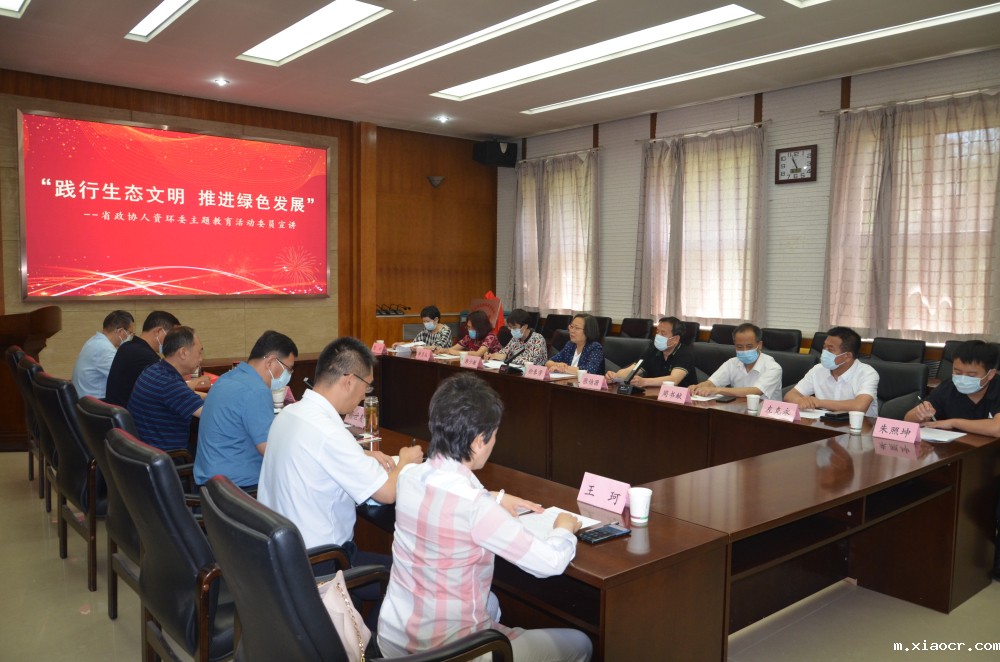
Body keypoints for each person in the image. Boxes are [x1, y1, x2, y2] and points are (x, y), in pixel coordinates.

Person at [377, 373, 592, 661]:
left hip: (393, 640)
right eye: (494, 435)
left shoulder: (409, 476)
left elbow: (446, 495)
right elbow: (549, 563)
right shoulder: (476, 507)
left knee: (491, 602)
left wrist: (497, 498)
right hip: (450, 654)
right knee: (581, 643)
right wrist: (564, 529)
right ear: (479, 441)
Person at [257, 336, 424, 563]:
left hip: (279, 553)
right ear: (349, 381)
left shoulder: (290, 413)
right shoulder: (329, 432)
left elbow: (314, 453)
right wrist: (405, 461)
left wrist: (361, 453)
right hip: (321, 560)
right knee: (410, 570)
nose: (364, 395)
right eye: (367, 386)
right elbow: (386, 493)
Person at [193, 330, 298, 489]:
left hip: (210, 483)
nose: (289, 374)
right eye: (288, 369)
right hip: (237, 489)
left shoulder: (227, 378)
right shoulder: (256, 390)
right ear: (270, 362)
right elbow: (269, 450)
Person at [128, 326, 207, 453]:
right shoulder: (169, 384)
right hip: (169, 457)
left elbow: (185, 394)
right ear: (183, 352)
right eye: (199, 352)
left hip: (145, 451)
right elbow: (212, 415)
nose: (201, 359)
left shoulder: (154, 370)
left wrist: (211, 396)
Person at [904, 340, 1000, 436]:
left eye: (971, 375)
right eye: (958, 373)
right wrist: (920, 415)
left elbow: (997, 429)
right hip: (955, 443)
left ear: (990, 374)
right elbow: (908, 419)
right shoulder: (948, 386)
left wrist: (953, 423)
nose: (962, 379)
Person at [785, 326, 879, 417]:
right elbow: (790, 395)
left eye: (830, 349)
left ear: (847, 356)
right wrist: (800, 401)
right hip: (824, 423)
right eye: (824, 347)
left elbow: (859, 406)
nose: (824, 352)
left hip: (861, 425)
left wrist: (818, 402)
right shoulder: (818, 369)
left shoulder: (867, 373)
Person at [105, 310, 181, 406]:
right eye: (173, 336)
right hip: (131, 412)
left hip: (119, 409)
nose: (174, 341)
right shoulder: (145, 356)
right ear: (158, 331)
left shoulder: (129, 346)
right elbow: (170, 389)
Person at [690, 323, 782, 401]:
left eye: (749, 346)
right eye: (739, 347)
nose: (744, 350)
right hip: (738, 409)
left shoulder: (773, 367)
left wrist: (717, 390)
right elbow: (711, 383)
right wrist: (698, 387)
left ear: (760, 345)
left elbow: (755, 391)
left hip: (766, 414)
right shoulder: (732, 363)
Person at [605, 316, 694, 387]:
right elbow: (632, 369)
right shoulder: (653, 349)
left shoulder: (684, 353)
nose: (658, 336)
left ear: (675, 339)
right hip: (654, 395)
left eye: (663, 333)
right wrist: (615, 376)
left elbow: (674, 379)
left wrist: (644, 381)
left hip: (680, 400)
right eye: (657, 332)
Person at [71, 310, 134, 399]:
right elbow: (125, 380)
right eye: (130, 333)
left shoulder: (94, 341)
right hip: (95, 403)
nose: (130, 337)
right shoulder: (105, 349)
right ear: (120, 331)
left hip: (85, 400)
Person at [436, 309, 501, 357]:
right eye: (468, 327)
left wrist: (457, 353)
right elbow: (452, 349)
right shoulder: (469, 337)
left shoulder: (490, 337)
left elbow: (478, 354)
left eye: (470, 327)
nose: (468, 330)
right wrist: (443, 350)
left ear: (479, 327)